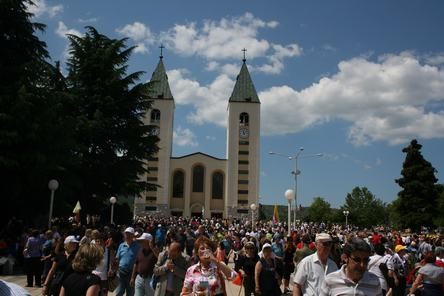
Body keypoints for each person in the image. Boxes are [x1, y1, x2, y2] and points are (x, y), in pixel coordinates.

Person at [113, 227, 140, 296]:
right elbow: (117, 258)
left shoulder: (138, 246)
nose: (127, 236)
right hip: (121, 272)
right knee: (119, 291)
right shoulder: (121, 245)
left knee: (130, 293)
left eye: (129, 234)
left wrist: (134, 277)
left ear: (133, 235)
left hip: (132, 273)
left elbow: (139, 260)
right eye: (126, 234)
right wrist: (113, 269)